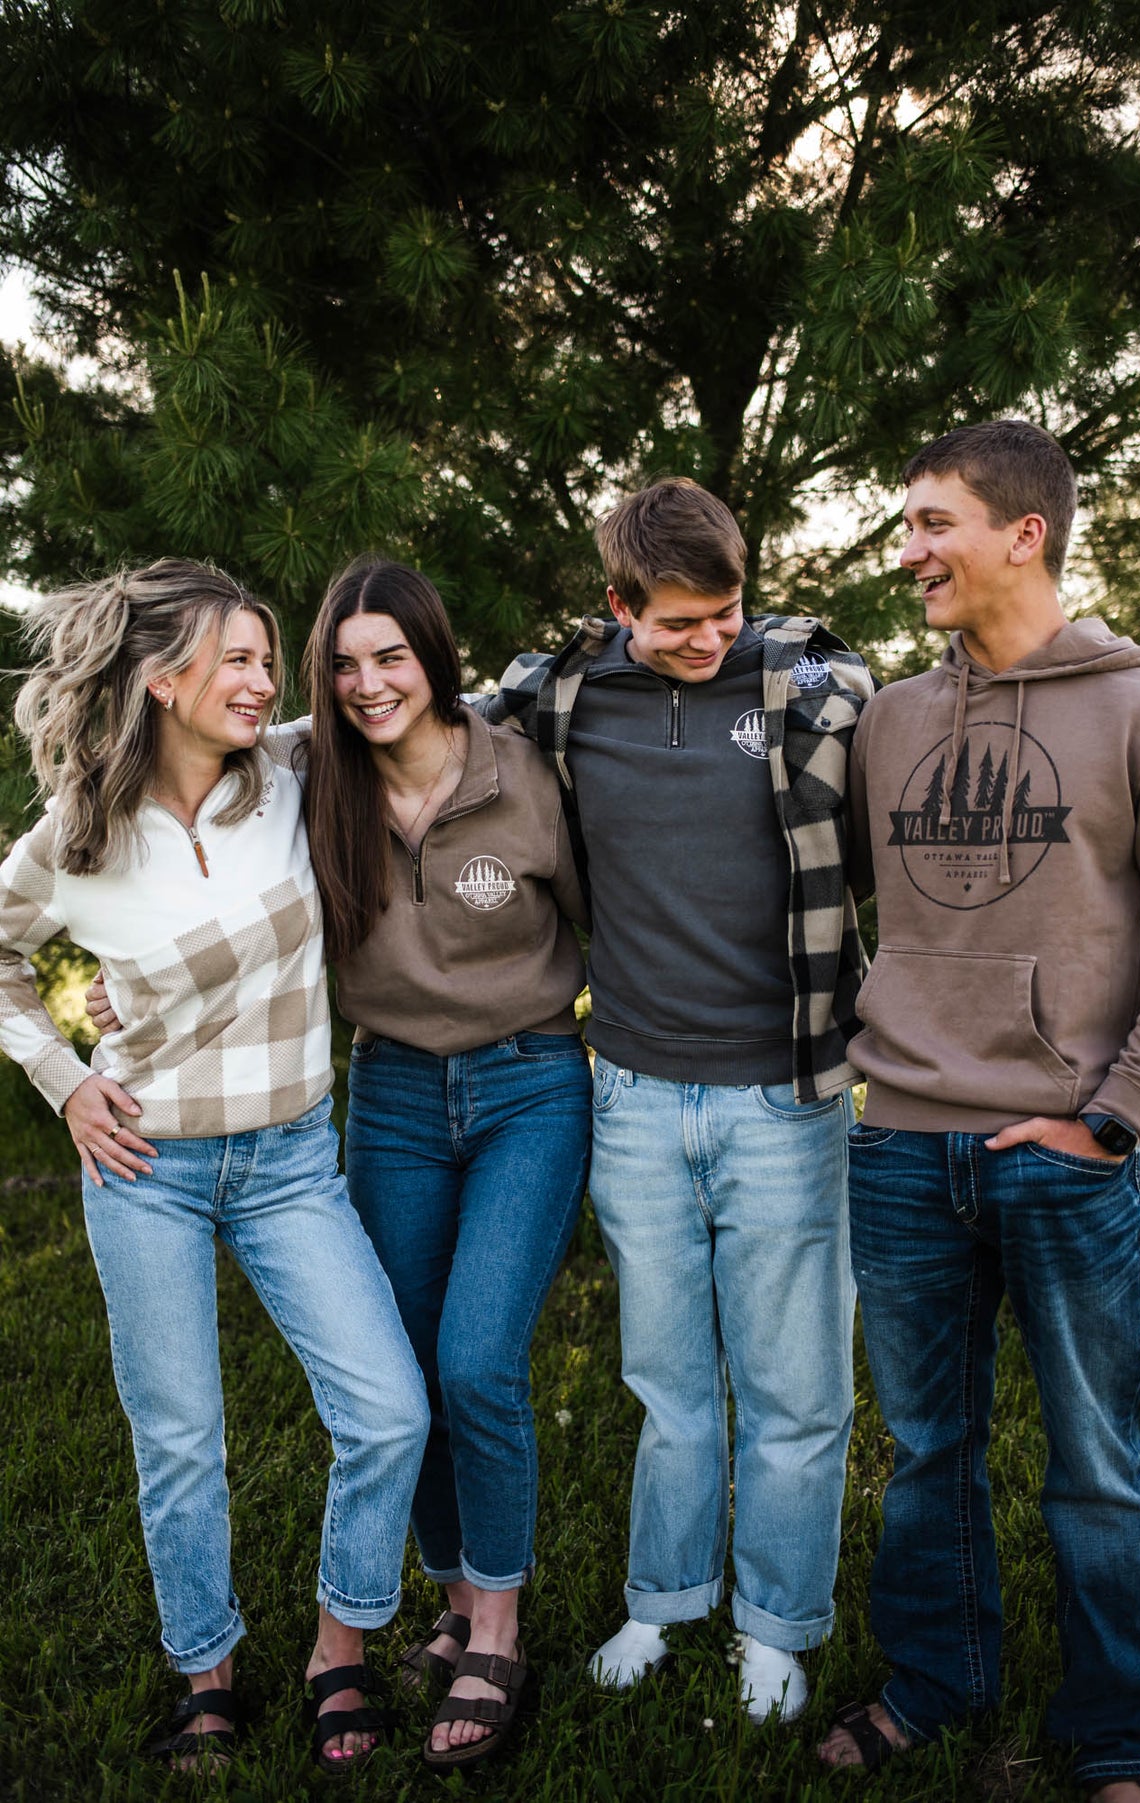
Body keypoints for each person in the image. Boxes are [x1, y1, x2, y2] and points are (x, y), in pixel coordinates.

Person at [817, 421, 1140, 1803]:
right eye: (902, 523)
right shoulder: (893, 719)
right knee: (927, 1451)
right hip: (904, 1135)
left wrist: (1112, 1117)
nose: (906, 548)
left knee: (1097, 1464)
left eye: (932, 523)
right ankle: (936, 1677)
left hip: (1063, 1145)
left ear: (1023, 533)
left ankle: (1115, 1735)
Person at [0, 560, 429, 1775]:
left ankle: (340, 1650)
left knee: (389, 1414)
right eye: (235, 658)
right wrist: (66, 1081)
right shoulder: (76, 836)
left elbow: (434, 695)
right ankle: (209, 1673)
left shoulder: (295, 769)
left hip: (293, 1160)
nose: (261, 679)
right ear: (159, 681)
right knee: (181, 1438)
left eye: (262, 657)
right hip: (150, 1170)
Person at [477, 477, 875, 1722]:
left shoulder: (800, 688)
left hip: (788, 1096)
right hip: (635, 1094)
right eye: (679, 622)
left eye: (727, 612)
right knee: (667, 1379)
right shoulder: (561, 700)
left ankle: (777, 1624)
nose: (708, 639)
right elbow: (411, 736)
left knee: (796, 1386)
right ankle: (664, 1599)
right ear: (618, 607)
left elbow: (886, 723)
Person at [296, 558, 592, 1769]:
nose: (370, 685)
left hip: (530, 1081)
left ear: (435, 658)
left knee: (478, 1360)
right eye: (347, 664)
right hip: (396, 1092)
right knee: (405, 1376)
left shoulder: (525, 773)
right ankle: (452, 1595)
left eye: (392, 657)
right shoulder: (308, 782)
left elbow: (612, 921)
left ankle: (502, 1623)